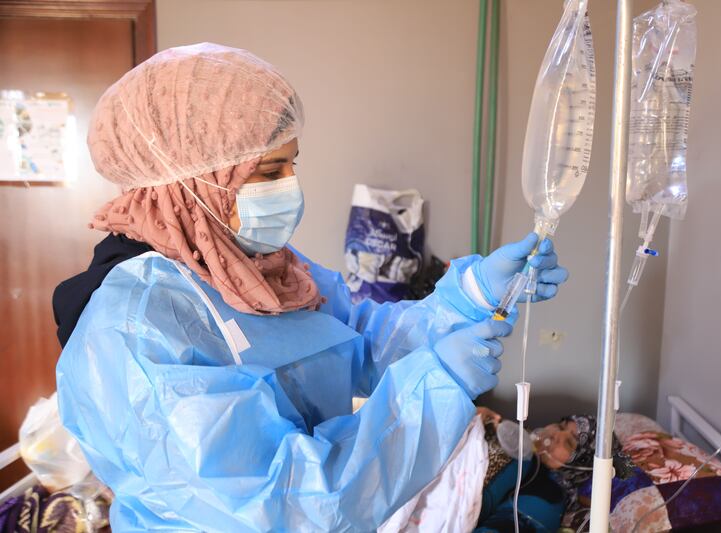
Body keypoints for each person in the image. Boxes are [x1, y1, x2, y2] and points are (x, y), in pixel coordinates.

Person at [54, 43, 569, 532]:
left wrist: (469, 294)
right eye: (268, 170)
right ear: (189, 180)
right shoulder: (136, 328)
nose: (290, 189)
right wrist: (434, 389)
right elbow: (291, 506)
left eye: (291, 164)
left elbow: (355, 340)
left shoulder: (255, 264)